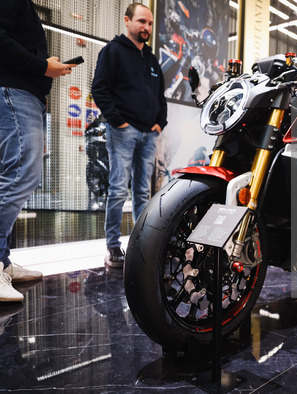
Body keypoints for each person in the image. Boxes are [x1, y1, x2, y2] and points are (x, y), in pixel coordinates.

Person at [0, 0, 77, 302]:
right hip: (14, 91)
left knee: (14, 175)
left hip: (22, 94)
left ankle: (3, 261)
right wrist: (43, 66)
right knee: (21, 175)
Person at [92, 3, 167, 268]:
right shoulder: (112, 52)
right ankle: (113, 247)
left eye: (149, 23)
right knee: (117, 189)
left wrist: (160, 123)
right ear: (127, 21)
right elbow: (99, 89)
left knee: (142, 191)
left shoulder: (152, 59)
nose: (146, 27)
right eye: (141, 22)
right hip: (124, 132)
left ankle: (140, 244)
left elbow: (160, 96)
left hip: (149, 135)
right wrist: (119, 122)